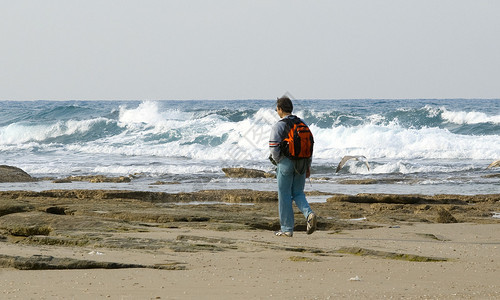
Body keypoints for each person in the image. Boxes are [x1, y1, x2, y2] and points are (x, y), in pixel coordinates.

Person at [269, 96, 317, 237]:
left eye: (277, 109)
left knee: (284, 195)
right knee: (298, 193)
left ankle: (286, 229)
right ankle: (309, 214)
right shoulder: (302, 123)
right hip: (302, 162)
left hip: (286, 162)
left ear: (280, 109)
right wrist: (308, 166)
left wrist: (279, 162)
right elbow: (310, 145)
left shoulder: (279, 125)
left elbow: (273, 148)